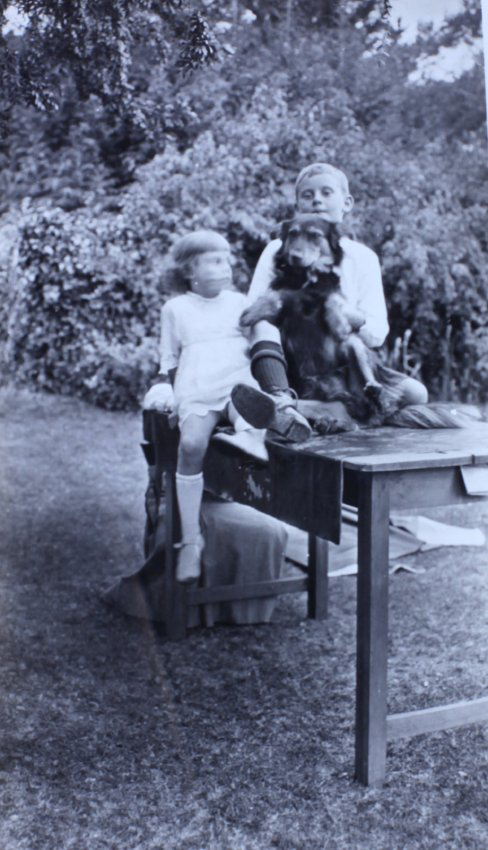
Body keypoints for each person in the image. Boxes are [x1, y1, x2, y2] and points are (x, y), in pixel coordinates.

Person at [232, 162, 427, 429]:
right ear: (298, 206)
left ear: (346, 203)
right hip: (291, 358)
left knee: (417, 393)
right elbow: (249, 316)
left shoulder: (363, 257)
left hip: (341, 361)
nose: (317, 201)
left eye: (326, 193)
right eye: (308, 195)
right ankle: (280, 397)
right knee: (262, 323)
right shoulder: (278, 248)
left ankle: (304, 410)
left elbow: (378, 332)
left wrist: (347, 316)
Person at [147, 229, 267, 584]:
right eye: (215, 260)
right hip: (197, 385)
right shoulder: (175, 309)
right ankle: (189, 542)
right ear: (190, 270)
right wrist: (176, 399)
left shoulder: (239, 302)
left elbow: (261, 344)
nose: (225, 267)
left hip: (236, 380)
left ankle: (251, 438)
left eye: (227, 259)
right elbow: (170, 360)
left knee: (248, 406)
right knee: (191, 444)